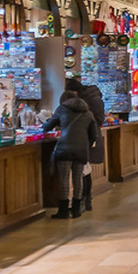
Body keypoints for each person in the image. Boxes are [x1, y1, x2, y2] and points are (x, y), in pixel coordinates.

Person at [42, 90, 98, 219]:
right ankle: (76, 210)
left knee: (64, 179)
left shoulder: (62, 109)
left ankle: (63, 211)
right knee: (78, 178)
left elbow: (47, 126)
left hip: (65, 149)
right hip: (81, 151)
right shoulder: (88, 113)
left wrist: (47, 123)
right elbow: (93, 135)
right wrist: (85, 146)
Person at [66, 78, 106, 211]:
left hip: (88, 139)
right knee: (85, 171)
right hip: (86, 138)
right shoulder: (88, 99)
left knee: (84, 171)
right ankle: (86, 200)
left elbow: (99, 120)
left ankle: (84, 200)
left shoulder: (92, 101)